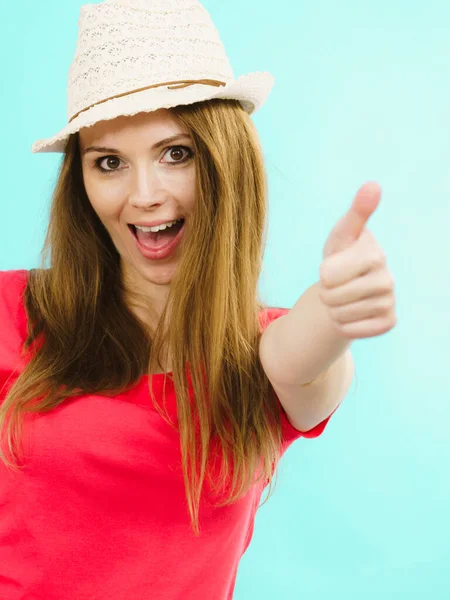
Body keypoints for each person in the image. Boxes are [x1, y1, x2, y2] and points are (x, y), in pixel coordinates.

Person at [0, 1, 336, 598]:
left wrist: (337, 314)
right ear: (82, 183)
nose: (145, 194)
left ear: (226, 159)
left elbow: (308, 365)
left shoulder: (269, 351)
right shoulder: (10, 310)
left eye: (175, 153)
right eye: (109, 163)